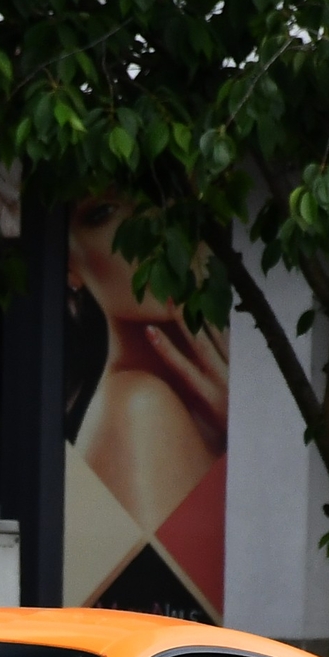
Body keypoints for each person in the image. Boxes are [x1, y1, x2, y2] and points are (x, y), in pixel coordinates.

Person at [64, 196, 229, 548]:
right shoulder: (140, 406)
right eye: (102, 212)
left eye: (170, 191)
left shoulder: (182, 406)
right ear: (69, 265)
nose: (157, 231)